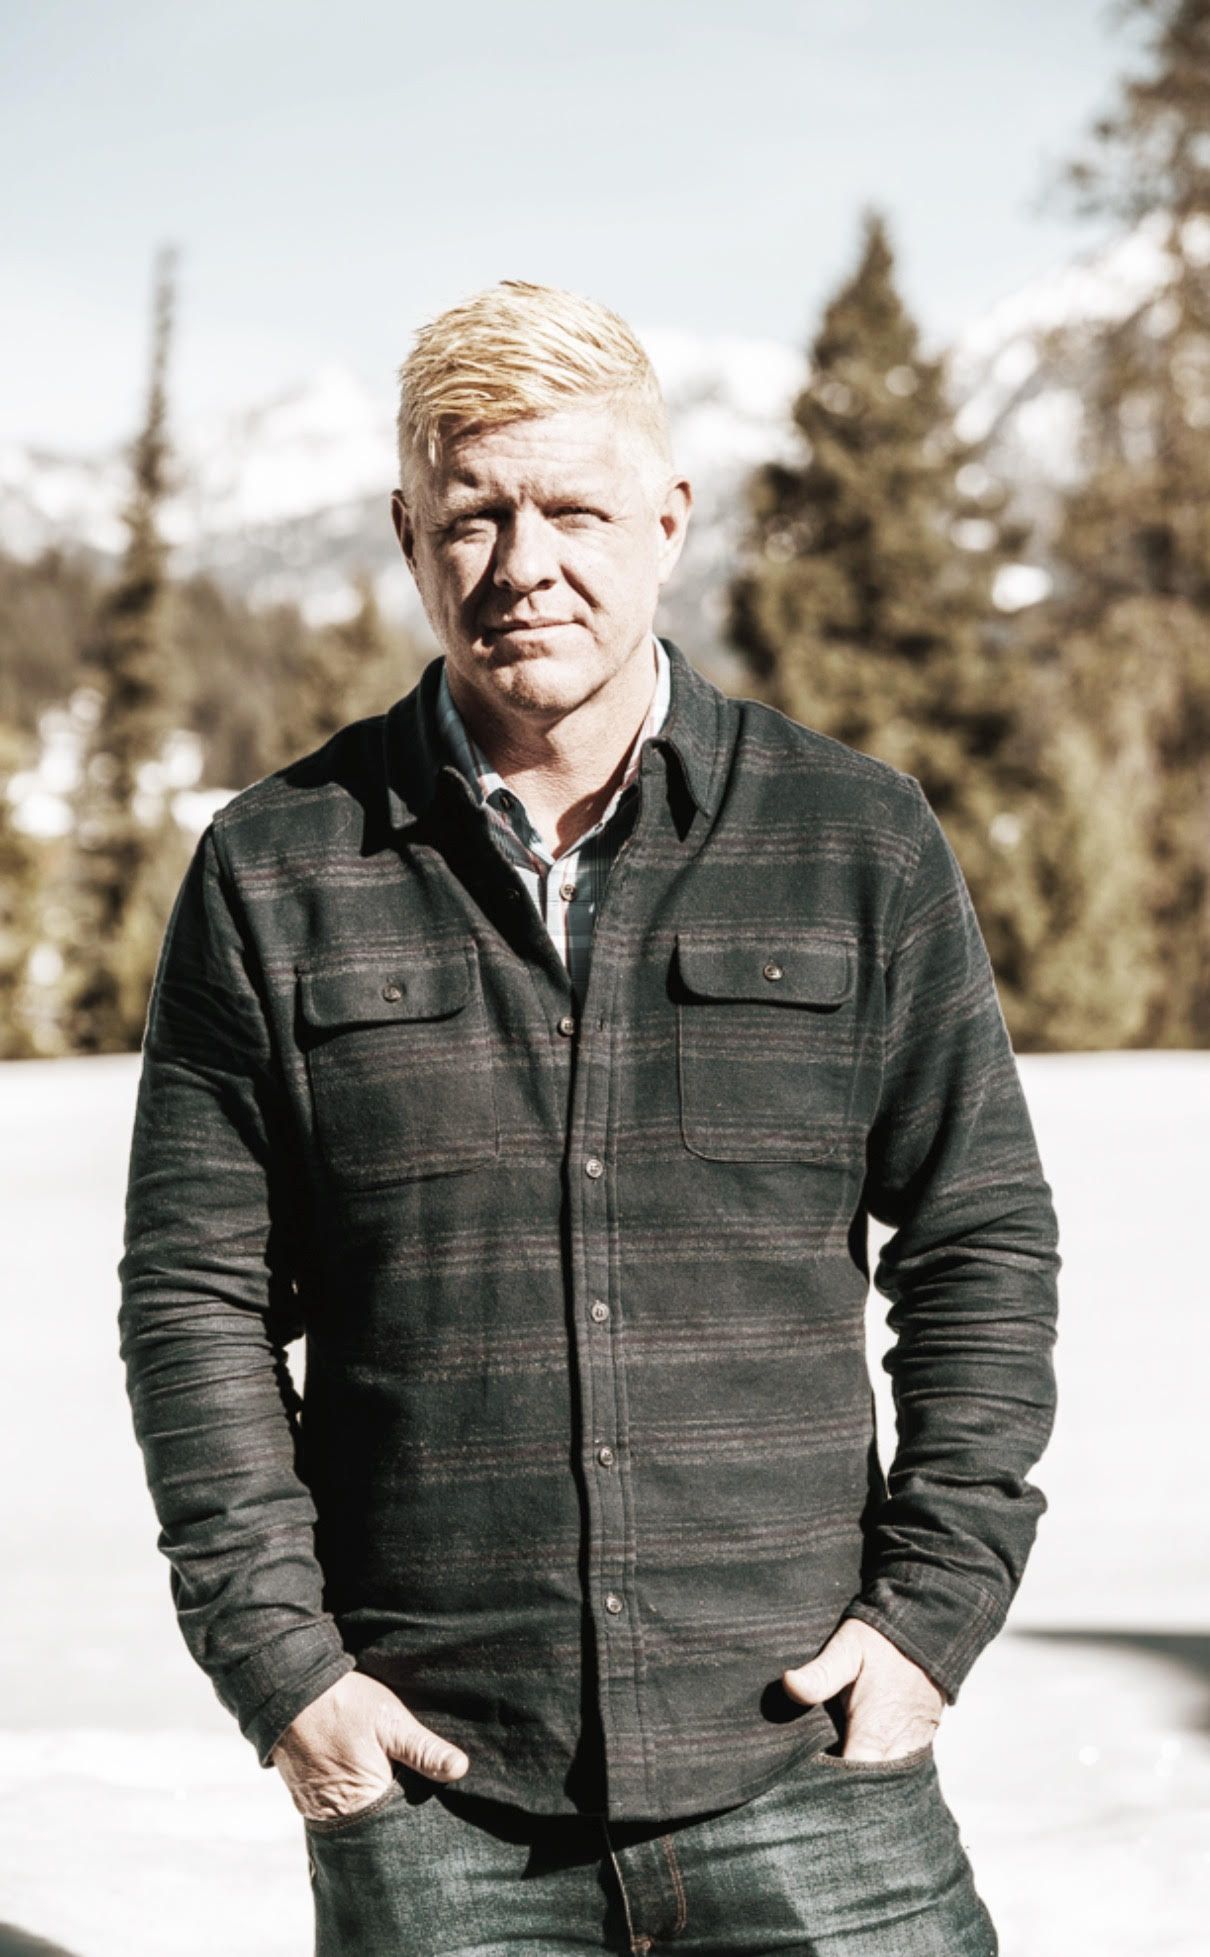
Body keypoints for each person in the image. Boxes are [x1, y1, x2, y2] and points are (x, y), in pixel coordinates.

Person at [118, 279, 1061, 1955]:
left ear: (669, 518)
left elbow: (975, 1238)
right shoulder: (272, 870)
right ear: (407, 531)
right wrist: (285, 1674)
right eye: (472, 514)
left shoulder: (856, 840)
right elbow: (196, 1298)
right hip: (430, 1791)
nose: (522, 560)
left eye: (571, 507)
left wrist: (925, 1619)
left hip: (809, 1768)